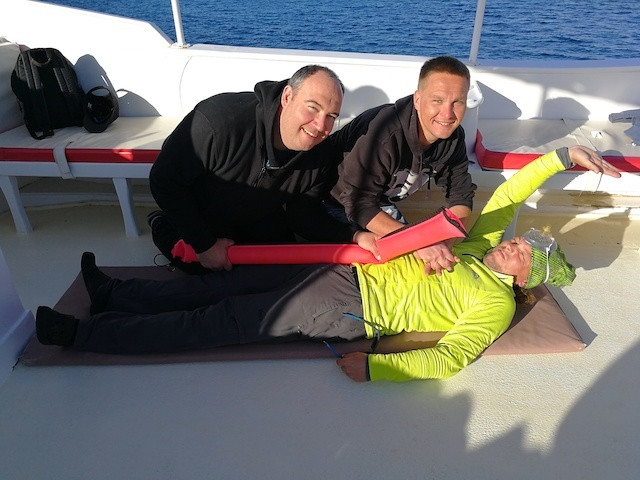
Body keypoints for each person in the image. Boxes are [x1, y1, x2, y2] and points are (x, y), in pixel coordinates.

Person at [36, 146, 620, 382]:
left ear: (523, 278)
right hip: (344, 267)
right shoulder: (477, 247)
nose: (515, 244)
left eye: (525, 253)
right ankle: (114, 295)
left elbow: (449, 358)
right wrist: (561, 157)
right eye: (522, 242)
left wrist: (377, 369)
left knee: (220, 321)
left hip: (350, 305)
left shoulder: (492, 302)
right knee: (220, 285)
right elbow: (511, 195)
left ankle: (85, 335)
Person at [148, 64, 373, 273]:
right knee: (200, 270)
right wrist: (204, 244)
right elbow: (163, 180)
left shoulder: (320, 154)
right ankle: (158, 223)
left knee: (283, 274)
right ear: (287, 96)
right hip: (200, 215)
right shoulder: (220, 121)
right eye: (313, 108)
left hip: (257, 215)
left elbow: (303, 216)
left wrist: (354, 236)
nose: (320, 126)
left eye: (331, 116)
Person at [326, 56, 477, 275]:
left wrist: (446, 244)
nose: (447, 114)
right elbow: (358, 204)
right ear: (418, 99)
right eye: (437, 100)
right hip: (329, 204)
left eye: (458, 102)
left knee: (430, 267)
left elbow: (461, 197)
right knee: (397, 267)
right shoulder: (384, 134)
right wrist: (419, 241)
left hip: (377, 204)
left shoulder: (452, 137)